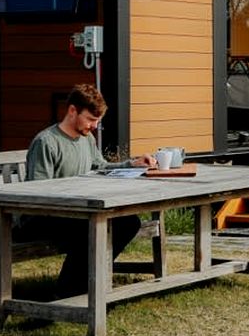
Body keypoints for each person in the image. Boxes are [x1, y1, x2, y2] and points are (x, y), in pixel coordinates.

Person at [20, 84, 155, 299]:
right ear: (72, 111)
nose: (94, 126)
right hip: (41, 217)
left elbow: (100, 167)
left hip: (75, 212)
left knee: (128, 222)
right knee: (89, 228)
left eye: (98, 121)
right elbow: (36, 190)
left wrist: (132, 164)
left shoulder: (87, 139)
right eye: (91, 119)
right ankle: (69, 292)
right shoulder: (46, 142)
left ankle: (83, 284)